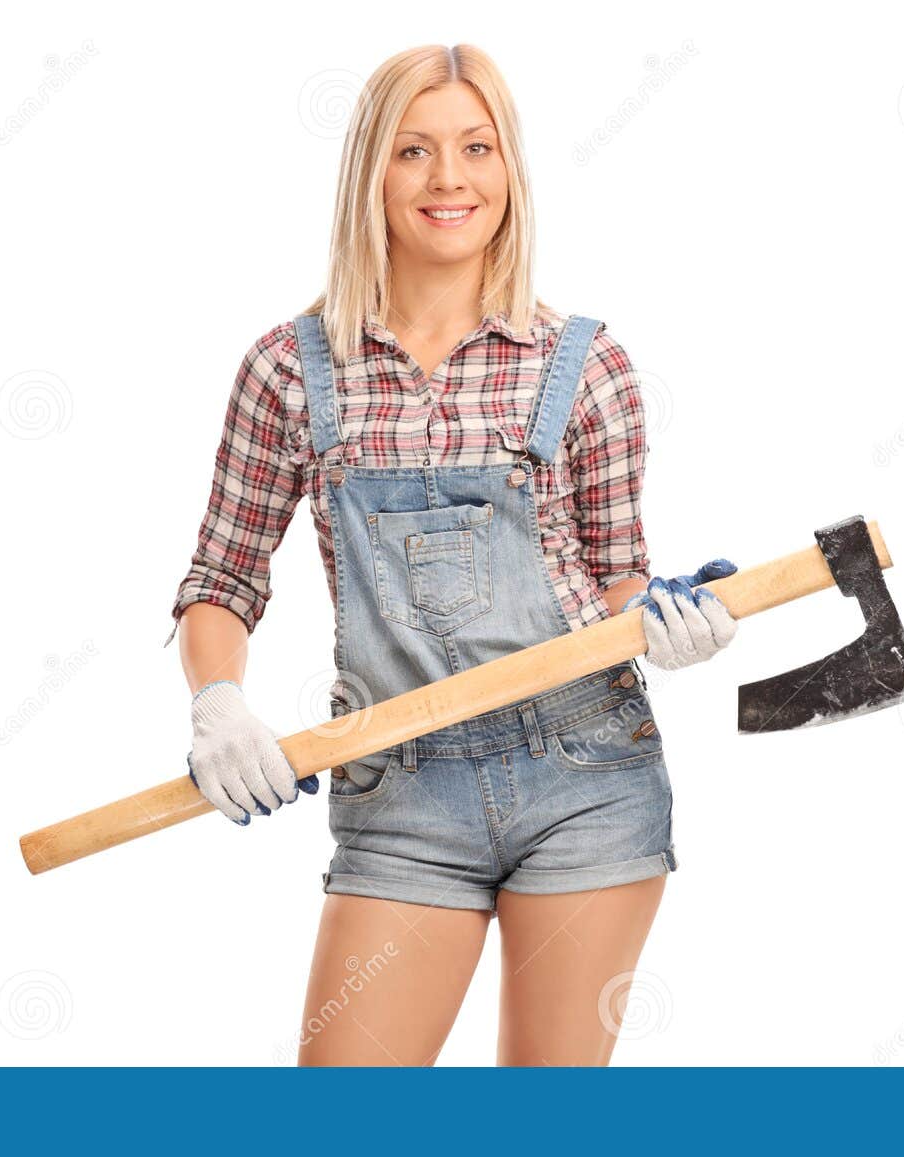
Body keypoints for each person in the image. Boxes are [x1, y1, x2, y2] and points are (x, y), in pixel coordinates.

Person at [167, 44, 737, 1066]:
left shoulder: (584, 362)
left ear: (509, 171)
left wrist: (670, 622)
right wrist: (218, 704)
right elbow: (223, 575)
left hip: (586, 775)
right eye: (414, 151)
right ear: (368, 174)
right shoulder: (289, 370)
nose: (448, 180)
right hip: (400, 787)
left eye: (477, 148)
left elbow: (616, 576)